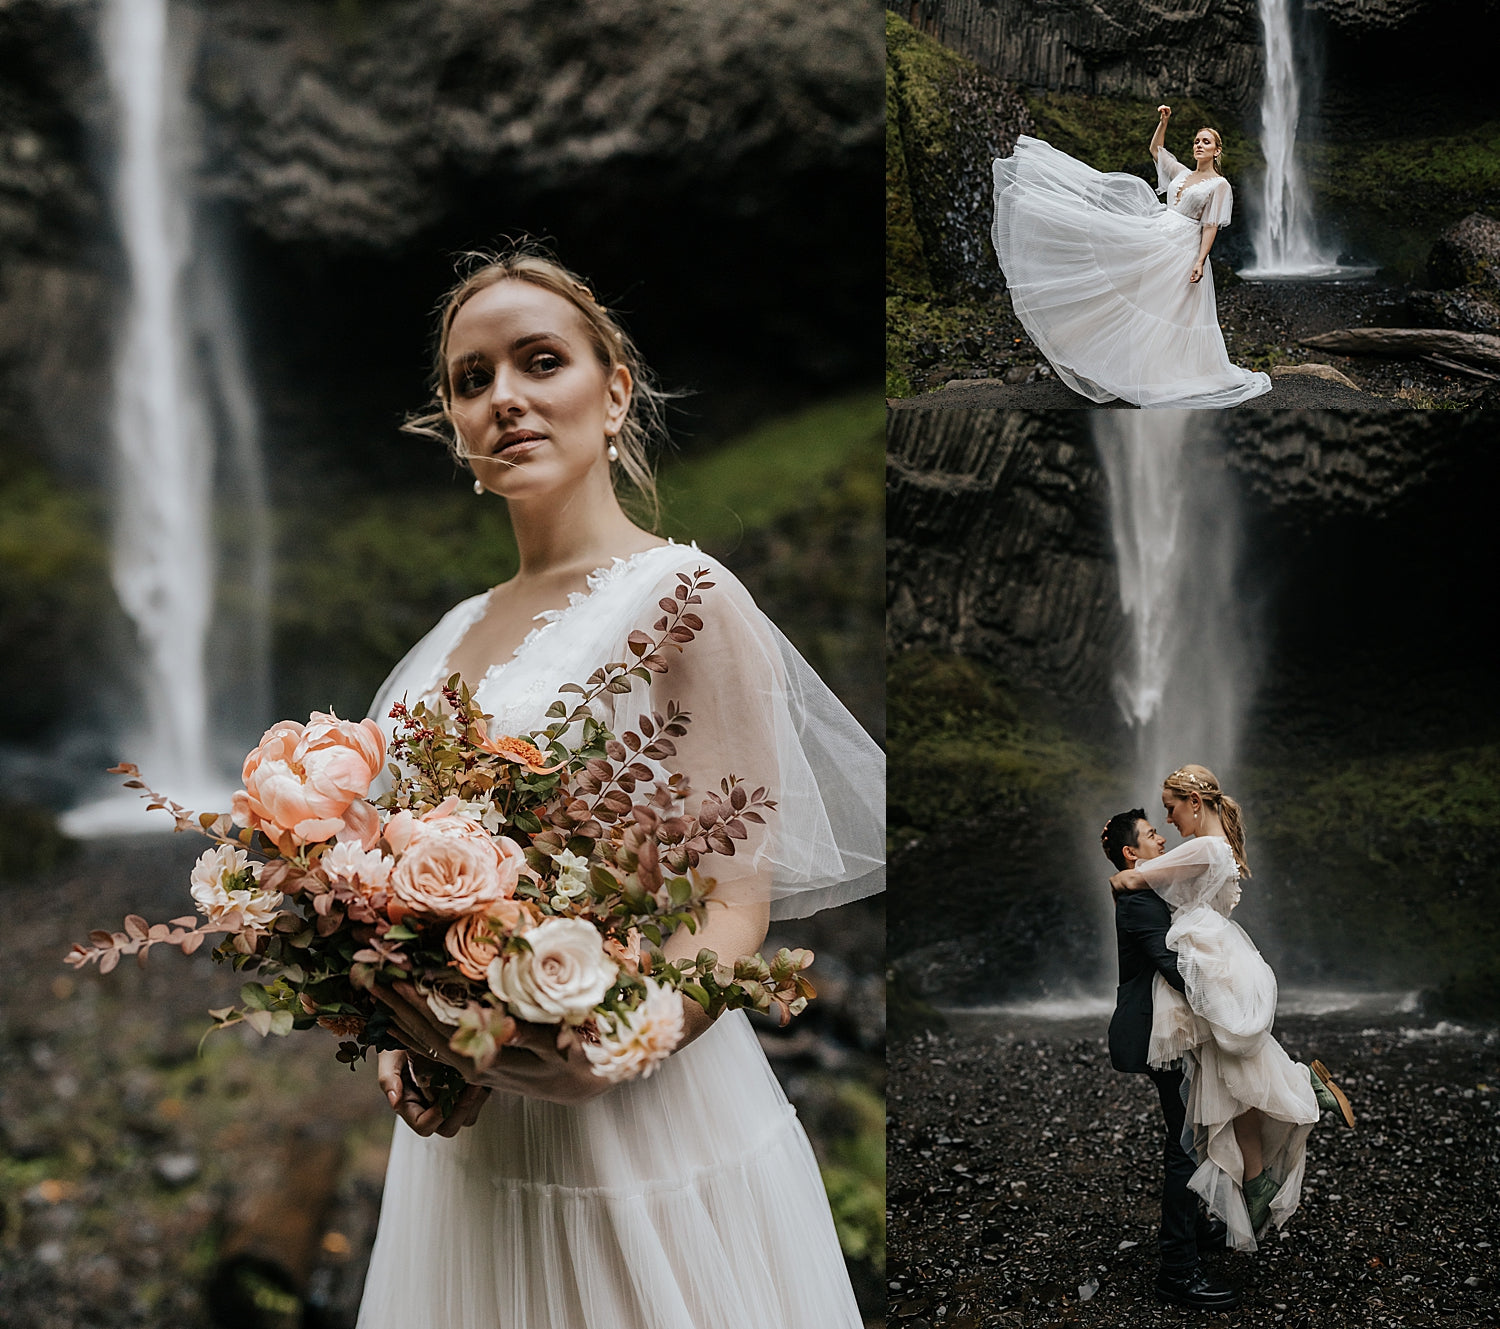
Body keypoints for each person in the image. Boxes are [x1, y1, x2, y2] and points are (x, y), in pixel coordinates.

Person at [350, 248, 885, 1328]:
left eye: (539, 361)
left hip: (642, 1116)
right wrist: (406, 1041)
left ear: (614, 391)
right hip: (476, 1144)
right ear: (453, 424)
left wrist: (617, 1043)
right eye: (471, 379)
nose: (504, 397)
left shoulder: (684, 596)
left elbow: (737, 901)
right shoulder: (446, 638)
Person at [1107, 766, 1353, 1260]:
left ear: (1194, 801)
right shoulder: (1219, 849)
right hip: (1223, 954)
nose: (1169, 822)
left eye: (1171, 808)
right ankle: (1265, 1163)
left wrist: (1119, 878)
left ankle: (1300, 1093)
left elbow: (1132, 877)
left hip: (1205, 955)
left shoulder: (1204, 848)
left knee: (1233, 1059)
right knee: (1235, 1066)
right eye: (1158, 823)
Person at [990, 106, 1273, 408]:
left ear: (1217, 150)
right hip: (1156, 239)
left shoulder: (1220, 185)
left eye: (1205, 142)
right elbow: (1156, 149)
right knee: (1145, 300)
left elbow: (1210, 225)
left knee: (1172, 312)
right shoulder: (1181, 173)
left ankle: (1175, 372)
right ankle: (1141, 370)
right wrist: (1163, 122)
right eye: (1196, 141)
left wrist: (1200, 260)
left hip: (1182, 250)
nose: (1198, 145)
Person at [1102, 808, 1238, 1311]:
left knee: (1190, 1136)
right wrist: (1231, 999)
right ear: (1131, 852)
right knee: (1184, 1144)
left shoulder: (1147, 887)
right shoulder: (1139, 902)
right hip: (1158, 1036)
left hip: (1172, 1031)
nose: (1162, 837)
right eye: (1151, 834)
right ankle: (1176, 1271)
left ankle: (1196, 1232)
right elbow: (1172, 966)